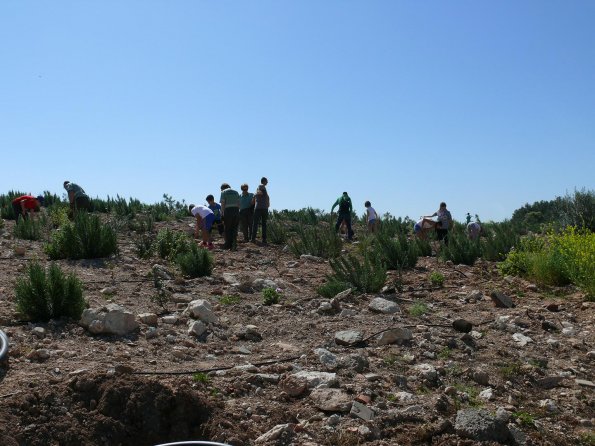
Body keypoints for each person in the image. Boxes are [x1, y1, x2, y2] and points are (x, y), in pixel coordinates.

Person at [219, 183, 240, 250]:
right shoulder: (236, 192)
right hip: (236, 210)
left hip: (228, 211)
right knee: (234, 228)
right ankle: (234, 245)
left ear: (222, 188)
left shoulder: (223, 192)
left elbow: (223, 204)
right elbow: (239, 203)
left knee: (228, 228)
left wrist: (222, 214)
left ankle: (228, 245)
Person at [251, 177, 270, 244]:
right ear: (264, 181)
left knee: (256, 223)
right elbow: (259, 193)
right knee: (262, 224)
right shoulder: (261, 186)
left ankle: (253, 238)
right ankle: (262, 239)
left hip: (260, 208)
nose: (267, 182)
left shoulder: (261, 188)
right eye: (266, 181)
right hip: (261, 208)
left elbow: (258, 195)